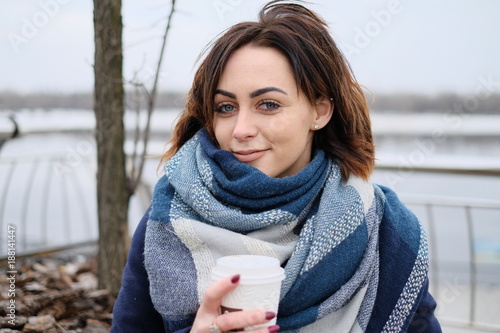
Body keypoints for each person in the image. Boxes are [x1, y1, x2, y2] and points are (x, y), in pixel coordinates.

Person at [111, 1, 441, 332]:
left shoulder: (383, 230)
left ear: (319, 111)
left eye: (268, 105)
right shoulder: (170, 218)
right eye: (225, 107)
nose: (240, 129)